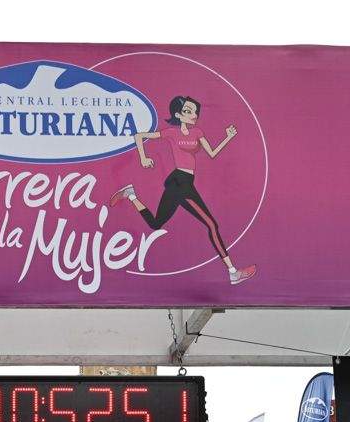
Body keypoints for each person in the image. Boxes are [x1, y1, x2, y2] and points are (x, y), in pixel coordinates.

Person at [105, 94, 256, 286]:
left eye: (195, 112)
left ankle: (131, 194)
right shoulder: (171, 133)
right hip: (180, 182)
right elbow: (139, 136)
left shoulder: (198, 133)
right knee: (211, 224)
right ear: (178, 114)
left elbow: (212, 153)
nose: (193, 115)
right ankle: (233, 272)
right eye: (188, 111)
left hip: (183, 182)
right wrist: (143, 157)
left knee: (156, 223)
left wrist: (228, 137)